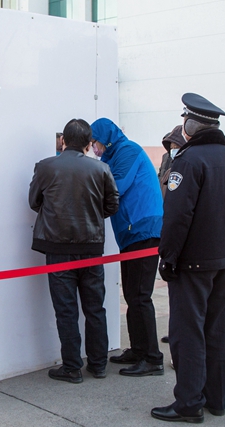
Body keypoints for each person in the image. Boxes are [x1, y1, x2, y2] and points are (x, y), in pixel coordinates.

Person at [151, 93, 225, 423]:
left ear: (190, 126)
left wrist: (168, 256)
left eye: (184, 122)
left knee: (187, 333)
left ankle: (189, 403)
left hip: (192, 263)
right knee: (216, 330)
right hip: (224, 260)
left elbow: (177, 216)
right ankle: (215, 399)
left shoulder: (188, 161)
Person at [29, 118, 119, 383]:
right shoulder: (101, 168)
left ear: (63, 141)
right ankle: (99, 364)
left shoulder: (45, 166)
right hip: (91, 246)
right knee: (95, 307)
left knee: (65, 310)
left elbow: (34, 201)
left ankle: (71, 367)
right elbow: (112, 205)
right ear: (89, 144)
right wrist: (91, 215)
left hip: (57, 247)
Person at [90, 118, 165, 377]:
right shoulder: (113, 156)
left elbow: (116, 187)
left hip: (143, 231)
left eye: (95, 142)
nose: (94, 148)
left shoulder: (127, 150)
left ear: (105, 138)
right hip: (132, 234)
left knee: (141, 296)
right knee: (133, 295)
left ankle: (153, 358)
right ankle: (138, 349)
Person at [157, 125, 185, 346]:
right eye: (171, 145)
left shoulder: (190, 161)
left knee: (188, 290)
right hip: (167, 223)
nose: (173, 148)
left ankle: (185, 334)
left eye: (177, 145)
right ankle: (176, 329)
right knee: (174, 289)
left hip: (184, 230)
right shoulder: (167, 158)